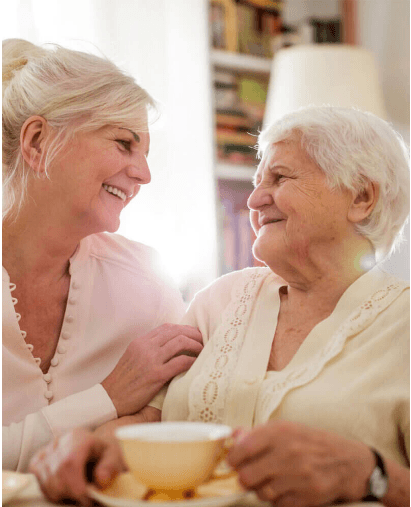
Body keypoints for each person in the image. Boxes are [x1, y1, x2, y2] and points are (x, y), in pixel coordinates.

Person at [31, 106, 409, 507]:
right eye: (257, 181)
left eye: (280, 178)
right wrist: (92, 448)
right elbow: (149, 422)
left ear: (362, 197)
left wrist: (369, 474)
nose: (254, 199)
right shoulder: (220, 300)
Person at [2, 38, 204, 472]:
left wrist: (138, 420)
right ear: (37, 142)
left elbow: (183, 414)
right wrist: (110, 398)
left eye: (146, 154)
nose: (144, 174)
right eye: (123, 143)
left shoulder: (148, 285)